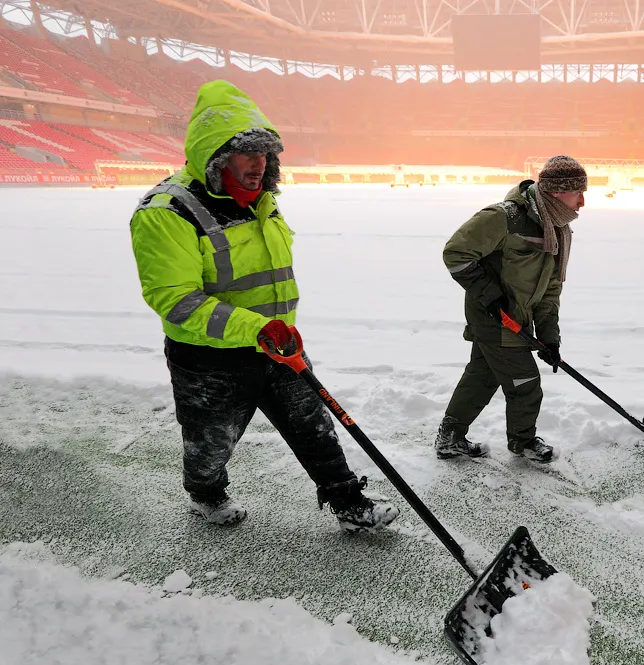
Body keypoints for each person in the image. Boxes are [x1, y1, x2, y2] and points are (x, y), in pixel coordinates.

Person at [129, 80, 398, 533]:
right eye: (246, 153)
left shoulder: (263, 204)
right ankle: (206, 494)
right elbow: (174, 300)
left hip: (277, 347)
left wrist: (271, 332)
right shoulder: (168, 211)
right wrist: (254, 328)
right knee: (209, 445)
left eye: (265, 154)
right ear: (215, 157)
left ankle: (347, 500)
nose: (259, 164)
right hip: (208, 358)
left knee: (315, 428)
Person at [435, 155, 587, 463]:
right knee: (525, 383)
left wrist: (549, 336)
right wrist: (491, 297)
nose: (582, 202)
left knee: (483, 375)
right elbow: (456, 253)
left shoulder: (557, 229)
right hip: (494, 317)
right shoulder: (504, 218)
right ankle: (523, 441)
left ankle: (449, 438)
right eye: (577, 193)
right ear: (557, 192)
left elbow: (550, 289)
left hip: (517, 317)